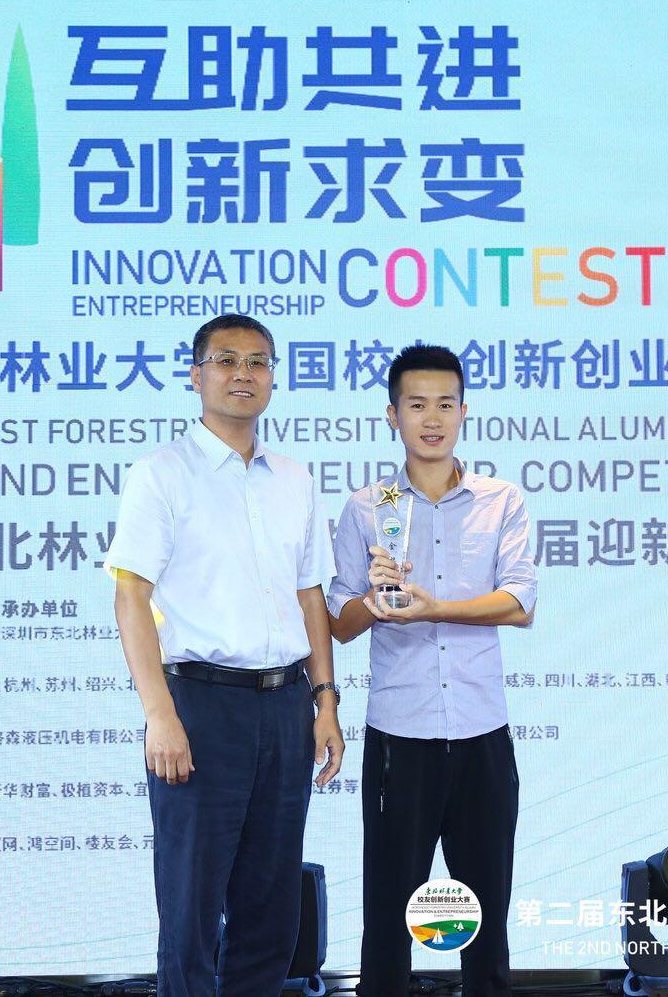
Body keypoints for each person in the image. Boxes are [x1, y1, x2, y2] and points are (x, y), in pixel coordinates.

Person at [106, 314, 344, 997]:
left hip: (285, 707)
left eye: (258, 362)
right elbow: (130, 597)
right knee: (191, 905)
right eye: (227, 360)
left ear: (273, 377)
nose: (244, 374)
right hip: (200, 706)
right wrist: (161, 715)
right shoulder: (161, 475)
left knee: (271, 908)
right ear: (196, 375)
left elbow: (309, 596)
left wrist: (325, 701)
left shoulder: (294, 479)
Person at [326, 344, 538, 997]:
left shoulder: (501, 501)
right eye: (417, 404)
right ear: (393, 415)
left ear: (464, 412)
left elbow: (519, 603)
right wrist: (376, 601)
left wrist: (433, 608)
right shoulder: (370, 507)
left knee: (487, 913)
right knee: (390, 914)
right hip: (401, 735)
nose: (433, 418)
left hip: (481, 733)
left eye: (446, 404)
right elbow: (339, 621)